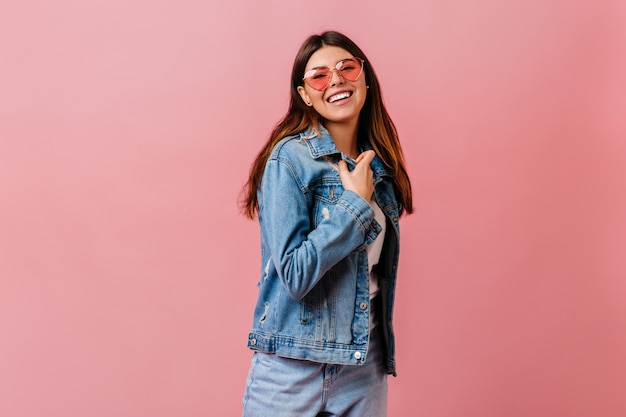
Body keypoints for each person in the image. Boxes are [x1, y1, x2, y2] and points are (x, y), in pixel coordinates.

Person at [240, 30, 413, 417]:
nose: (335, 80)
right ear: (304, 94)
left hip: (363, 364)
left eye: (346, 68)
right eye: (318, 75)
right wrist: (353, 205)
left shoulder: (379, 165)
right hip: (291, 366)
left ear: (363, 77)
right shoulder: (289, 160)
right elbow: (296, 275)